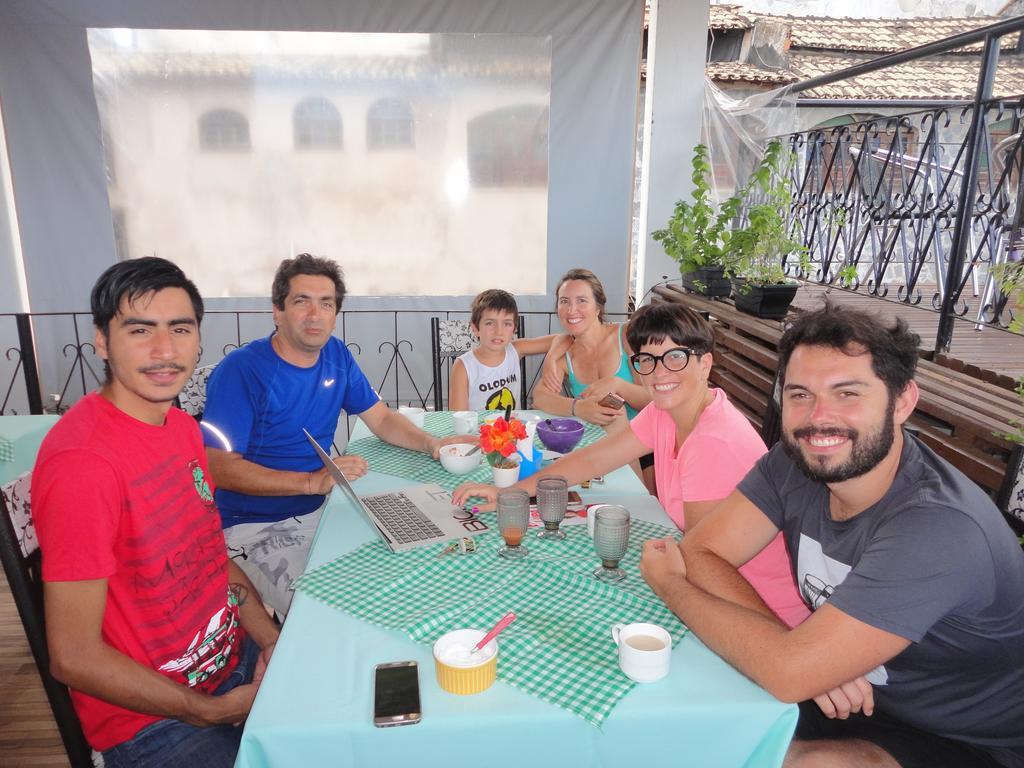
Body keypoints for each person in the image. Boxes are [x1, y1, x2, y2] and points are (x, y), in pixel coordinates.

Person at [639, 302, 1024, 768]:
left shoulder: (937, 528)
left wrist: (670, 583)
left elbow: (784, 670)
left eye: (847, 393)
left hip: (964, 738)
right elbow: (703, 548)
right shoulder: (796, 463)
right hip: (852, 697)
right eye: (800, 394)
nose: (819, 418)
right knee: (672, 721)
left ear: (902, 400)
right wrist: (804, 658)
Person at [31, 257, 280, 768]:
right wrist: (206, 711)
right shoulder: (84, 464)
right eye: (140, 330)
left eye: (180, 329)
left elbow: (212, 558)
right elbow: (73, 656)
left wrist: (271, 639)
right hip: (152, 721)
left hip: (230, 664)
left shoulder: (183, 429)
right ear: (102, 340)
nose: (165, 351)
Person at [454, 302, 808, 627]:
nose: (659, 372)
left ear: (705, 364)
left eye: (675, 357)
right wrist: (510, 493)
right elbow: (592, 459)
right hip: (716, 585)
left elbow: (703, 565)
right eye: (648, 361)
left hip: (760, 613)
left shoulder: (712, 440)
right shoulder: (666, 412)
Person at [201, 253, 466, 618]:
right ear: (277, 311)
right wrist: (310, 482)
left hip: (324, 509)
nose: (315, 314)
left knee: (415, 567)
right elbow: (215, 466)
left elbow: (383, 419)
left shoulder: (336, 356)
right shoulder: (242, 370)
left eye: (325, 303)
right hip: (254, 527)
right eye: (301, 301)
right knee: (324, 613)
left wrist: (431, 444)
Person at [449, 288, 556, 412]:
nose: (499, 332)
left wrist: (552, 358)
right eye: (490, 323)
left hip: (513, 429)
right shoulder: (463, 366)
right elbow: (458, 417)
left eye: (507, 324)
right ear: (475, 328)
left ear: (514, 328)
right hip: (477, 430)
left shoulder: (516, 350)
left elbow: (561, 339)